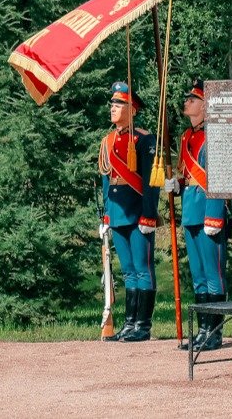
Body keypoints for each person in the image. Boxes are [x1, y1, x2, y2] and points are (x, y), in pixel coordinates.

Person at [165, 79, 227, 351]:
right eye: (187, 99)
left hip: (207, 213)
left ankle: (214, 332)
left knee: (213, 275)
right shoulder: (186, 137)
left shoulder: (214, 135)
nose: (186, 102)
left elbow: (219, 178)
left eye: (192, 99)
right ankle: (202, 329)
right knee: (199, 275)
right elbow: (189, 177)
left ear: (205, 105)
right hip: (191, 210)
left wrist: (214, 216)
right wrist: (176, 186)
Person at [98, 81, 160, 342]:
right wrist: (106, 214)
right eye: (112, 103)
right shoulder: (107, 141)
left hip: (138, 212)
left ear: (132, 109)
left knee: (142, 268)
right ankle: (129, 324)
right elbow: (105, 179)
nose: (113, 107)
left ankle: (143, 327)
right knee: (127, 271)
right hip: (118, 211)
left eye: (119, 103)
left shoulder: (144, 139)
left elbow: (150, 182)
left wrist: (149, 213)